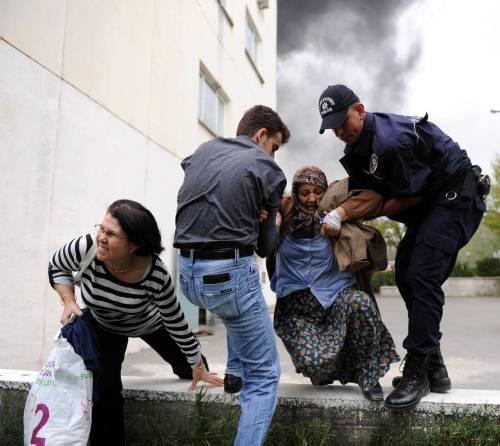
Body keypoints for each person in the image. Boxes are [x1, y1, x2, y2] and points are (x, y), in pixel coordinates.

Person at [317, 84, 487, 412]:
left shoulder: (390, 141)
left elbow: (409, 197)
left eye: (343, 121)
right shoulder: (356, 152)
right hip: (429, 207)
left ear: (361, 110)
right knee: (405, 273)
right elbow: (369, 195)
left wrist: (358, 211)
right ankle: (434, 367)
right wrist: (339, 212)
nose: (339, 131)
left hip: (453, 197)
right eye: (332, 127)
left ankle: (419, 371)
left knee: (422, 275)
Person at [49, 199, 223, 445]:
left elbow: (174, 320)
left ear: (134, 244)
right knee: (106, 390)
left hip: (148, 323)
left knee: (190, 368)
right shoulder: (86, 247)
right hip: (103, 325)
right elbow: (56, 266)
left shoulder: (155, 274)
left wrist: (196, 361)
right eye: (101, 228)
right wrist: (68, 299)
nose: (101, 237)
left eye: (111, 234)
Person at [174, 105, 290, 446]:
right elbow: (266, 246)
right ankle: (245, 382)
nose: (274, 154)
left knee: (239, 314)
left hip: (188, 274)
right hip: (228, 276)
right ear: (261, 136)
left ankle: (234, 374)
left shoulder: (204, 150)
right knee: (266, 376)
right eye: (275, 146)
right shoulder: (266, 167)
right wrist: (273, 219)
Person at [269, 166, 399, 401]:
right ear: (296, 193)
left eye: (318, 191)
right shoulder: (285, 212)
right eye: (305, 192)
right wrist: (270, 217)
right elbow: (259, 203)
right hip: (296, 308)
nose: (312, 198)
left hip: (335, 298)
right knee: (316, 365)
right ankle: (327, 369)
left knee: (360, 303)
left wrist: (339, 214)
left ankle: (369, 375)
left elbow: (374, 197)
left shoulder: (332, 212)